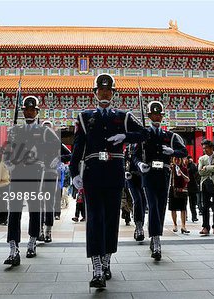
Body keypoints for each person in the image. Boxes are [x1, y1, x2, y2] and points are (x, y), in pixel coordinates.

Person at [70, 73, 147, 288]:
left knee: (111, 220)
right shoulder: (84, 117)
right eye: (101, 90)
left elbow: (144, 133)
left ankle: (106, 262)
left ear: (113, 93)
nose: (105, 93)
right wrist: (74, 173)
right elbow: (78, 148)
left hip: (114, 172)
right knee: (94, 219)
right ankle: (96, 268)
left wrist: (126, 137)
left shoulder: (123, 116)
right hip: (93, 174)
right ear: (95, 93)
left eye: (108, 90)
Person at [4, 95, 60, 266]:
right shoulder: (14, 130)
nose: (29, 112)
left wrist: (51, 160)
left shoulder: (43, 131)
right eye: (26, 109)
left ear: (37, 112)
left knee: (35, 209)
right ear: (22, 111)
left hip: (36, 172)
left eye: (32, 109)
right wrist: (9, 164)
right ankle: (13, 248)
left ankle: (32, 241)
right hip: (18, 173)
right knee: (14, 210)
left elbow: (57, 146)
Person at [132, 101, 188, 260]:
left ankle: (155, 235)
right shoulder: (143, 135)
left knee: (161, 207)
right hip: (148, 174)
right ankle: (156, 240)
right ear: (149, 116)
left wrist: (173, 151)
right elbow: (134, 156)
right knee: (153, 205)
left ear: (162, 116)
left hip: (163, 174)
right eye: (154, 114)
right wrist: (140, 164)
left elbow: (183, 152)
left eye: (159, 114)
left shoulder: (170, 136)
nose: (157, 117)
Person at [125, 144, 147, 241]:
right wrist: (124, 171)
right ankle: (138, 226)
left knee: (143, 202)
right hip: (132, 177)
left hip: (144, 177)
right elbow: (124, 160)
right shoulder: (129, 147)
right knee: (137, 200)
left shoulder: (145, 146)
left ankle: (140, 225)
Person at [169, 157, 190, 234]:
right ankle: (175, 225)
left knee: (183, 208)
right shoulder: (171, 168)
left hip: (182, 190)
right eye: (175, 159)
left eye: (178, 159)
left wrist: (182, 173)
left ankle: (183, 226)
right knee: (173, 208)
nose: (177, 161)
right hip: (173, 190)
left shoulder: (184, 168)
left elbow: (188, 179)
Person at [185, 156, 200, 222]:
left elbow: (196, 172)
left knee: (192, 203)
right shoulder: (184, 166)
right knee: (184, 203)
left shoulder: (192, 166)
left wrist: (191, 163)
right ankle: (185, 216)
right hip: (185, 186)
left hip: (192, 186)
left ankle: (194, 216)